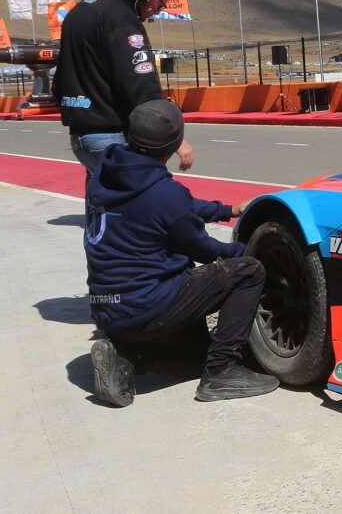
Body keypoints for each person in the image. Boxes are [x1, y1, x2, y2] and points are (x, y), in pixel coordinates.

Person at [85, 100, 278, 406]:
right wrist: (246, 250)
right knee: (247, 271)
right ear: (176, 144)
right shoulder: (163, 193)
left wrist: (226, 210)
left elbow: (170, 209)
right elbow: (205, 249)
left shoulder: (105, 172)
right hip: (145, 305)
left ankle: (128, 356)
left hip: (107, 307)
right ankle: (222, 371)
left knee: (192, 358)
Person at [54, 0, 194, 176]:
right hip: (111, 136)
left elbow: (61, 73)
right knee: (143, 197)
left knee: (101, 198)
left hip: (81, 134)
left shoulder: (80, 10)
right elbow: (140, 83)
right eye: (159, 5)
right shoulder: (122, 19)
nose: (156, 13)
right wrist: (173, 138)